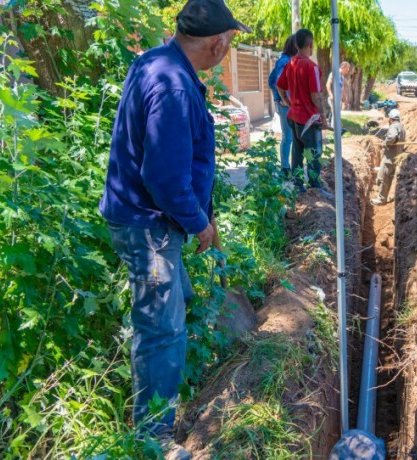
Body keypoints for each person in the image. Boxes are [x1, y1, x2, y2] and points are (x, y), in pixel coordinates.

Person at [98, 0, 250, 458]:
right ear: (218, 42)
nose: (227, 49)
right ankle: (152, 435)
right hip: (150, 225)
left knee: (174, 300)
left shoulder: (156, 62)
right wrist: (200, 223)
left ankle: (164, 388)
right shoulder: (175, 86)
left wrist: (203, 212)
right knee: (161, 329)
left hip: (147, 218)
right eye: (229, 42)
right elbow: (164, 179)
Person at [276, 28, 332, 196]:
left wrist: (288, 102)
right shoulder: (311, 67)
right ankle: (315, 186)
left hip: (293, 116)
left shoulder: (290, 64)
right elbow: (316, 95)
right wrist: (324, 118)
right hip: (308, 119)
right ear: (310, 44)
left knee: (297, 152)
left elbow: (280, 86)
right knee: (314, 153)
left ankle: (299, 185)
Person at [268, 35, 298, 176]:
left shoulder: (282, 60)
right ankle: (285, 169)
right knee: (289, 137)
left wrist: (277, 97)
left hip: (282, 103)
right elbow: (279, 82)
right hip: (285, 104)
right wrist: (285, 100)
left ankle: (286, 166)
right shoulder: (287, 62)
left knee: (288, 136)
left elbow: (270, 81)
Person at [371, 109, 406, 206]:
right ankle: (384, 197)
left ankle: (381, 199)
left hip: (389, 157)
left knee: (382, 177)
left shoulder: (393, 126)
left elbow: (392, 136)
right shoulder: (401, 126)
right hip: (396, 156)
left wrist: (385, 143)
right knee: (389, 178)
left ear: (390, 118)